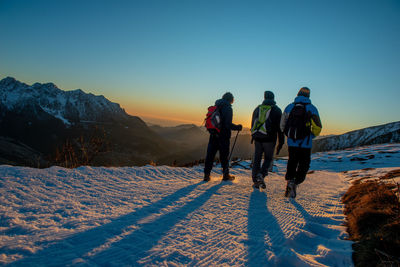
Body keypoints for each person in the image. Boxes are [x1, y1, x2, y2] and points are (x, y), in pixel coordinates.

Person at [280, 87, 322, 198]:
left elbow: (282, 125)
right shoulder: (312, 108)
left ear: (298, 94)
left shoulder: (289, 107)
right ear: (308, 96)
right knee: (304, 165)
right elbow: (318, 127)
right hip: (305, 143)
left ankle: (289, 181)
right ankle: (296, 182)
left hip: (292, 142)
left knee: (292, 162)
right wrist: (310, 135)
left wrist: (288, 135)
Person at [204, 92, 242, 182]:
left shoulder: (216, 105)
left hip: (213, 135)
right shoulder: (228, 108)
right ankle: (225, 175)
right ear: (230, 99)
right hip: (223, 136)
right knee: (224, 156)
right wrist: (238, 127)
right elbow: (227, 124)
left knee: (210, 155)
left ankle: (206, 175)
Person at [251, 91, 284, 188]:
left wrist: (253, 136)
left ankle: (255, 179)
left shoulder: (257, 109)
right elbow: (280, 128)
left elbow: (253, 124)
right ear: (273, 98)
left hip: (258, 138)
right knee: (268, 158)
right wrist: (281, 142)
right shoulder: (277, 110)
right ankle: (261, 174)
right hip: (270, 139)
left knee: (257, 158)